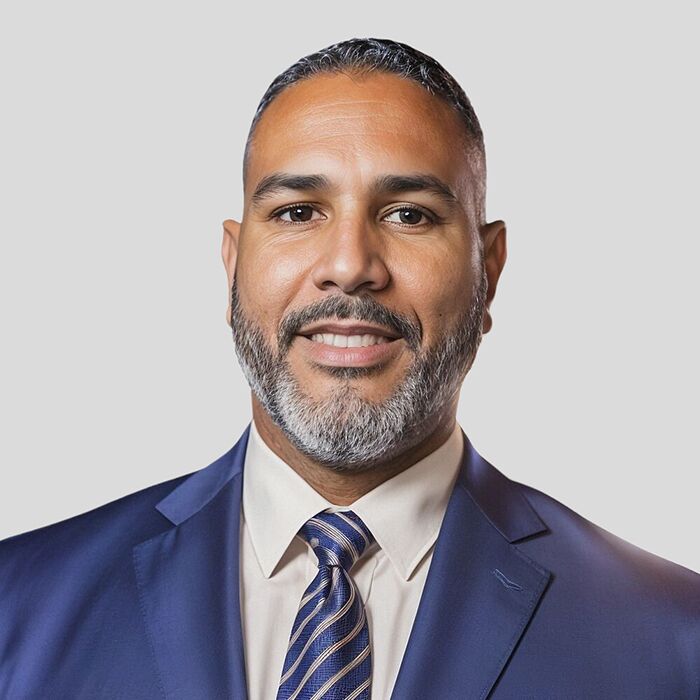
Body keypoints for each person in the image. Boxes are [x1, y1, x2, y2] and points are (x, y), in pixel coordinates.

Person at [1, 36, 698, 700]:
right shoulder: (17, 606)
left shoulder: (673, 640)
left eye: (409, 215)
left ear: (488, 271)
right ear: (232, 266)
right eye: (298, 212)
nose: (349, 266)